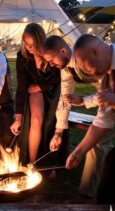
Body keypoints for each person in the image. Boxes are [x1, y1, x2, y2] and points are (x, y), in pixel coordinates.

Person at [42, 35, 114, 199]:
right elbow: (66, 99)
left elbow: (106, 101)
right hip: (107, 98)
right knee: (98, 140)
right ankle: (90, 194)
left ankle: (88, 194)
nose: (84, 70)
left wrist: (88, 100)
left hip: (108, 96)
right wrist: (60, 134)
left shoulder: (99, 64)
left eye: (51, 60)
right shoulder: (72, 69)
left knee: (100, 143)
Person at [65, 34, 115, 204]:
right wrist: (78, 152)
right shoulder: (107, 78)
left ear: (94, 52)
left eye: (84, 65)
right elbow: (103, 121)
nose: (85, 71)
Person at [10, 23, 64, 169]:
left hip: (52, 90)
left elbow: (59, 77)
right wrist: (18, 116)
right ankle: (32, 164)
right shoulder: (23, 56)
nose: (29, 48)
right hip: (34, 91)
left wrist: (42, 86)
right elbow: (22, 87)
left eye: (33, 44)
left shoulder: (51, 51)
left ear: (41, 41)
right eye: (26, 44)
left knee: (49, 124)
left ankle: (49, 163)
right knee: (35, 119)